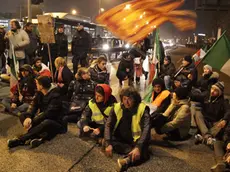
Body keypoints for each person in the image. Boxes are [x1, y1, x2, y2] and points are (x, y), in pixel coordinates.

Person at [7, 76, 65, 149]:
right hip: (42, 118)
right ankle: (38, 137)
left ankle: (21, 140)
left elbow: (49, 113)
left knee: (46, 122)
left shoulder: (56, 95)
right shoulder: (39, 92)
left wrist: (33, 121)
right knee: (23, 115)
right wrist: (28, 117)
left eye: (37, 83)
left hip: (56, 122)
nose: (36, 85)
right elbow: (33, 106)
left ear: (41, 86)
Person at [104, 87, 150, 171]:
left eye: (130, 99)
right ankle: (127, 150)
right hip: (120, 137)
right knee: (108, 140)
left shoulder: (142, 109)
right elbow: (108, 125)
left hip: (135, 140)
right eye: (124, 99)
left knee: (143, 151)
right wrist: (108, 143)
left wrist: (138, 147)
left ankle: (126, 161)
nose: (127, 102)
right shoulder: (117, 107)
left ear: (135, 100)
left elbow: (146, 130)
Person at [194, 82, 230, 146]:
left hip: (215, 123)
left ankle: (203, 137)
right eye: (212, 89)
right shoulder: (207, 95)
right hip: (205, 121)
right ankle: (208, 137)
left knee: (225, 121)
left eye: (215, 90)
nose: (212, 91)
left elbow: (228, 110)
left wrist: (225, 119)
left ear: (220, 93)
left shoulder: (224, 100)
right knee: (197, 113)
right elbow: (195, 96)